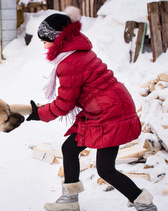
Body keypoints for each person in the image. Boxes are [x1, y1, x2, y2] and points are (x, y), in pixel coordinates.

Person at [26, 6, 158, 211]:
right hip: (108, 108)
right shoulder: (76, 53)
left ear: (56, 39)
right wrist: (42, 110)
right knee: (70, 149)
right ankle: (70, 200)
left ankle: (143, 203)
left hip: (110, 113)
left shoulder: (69, 62)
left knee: (105, 169)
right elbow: (71, 96)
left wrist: (38, 114)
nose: (43, 45)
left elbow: (64, 104)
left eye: (44, 40)